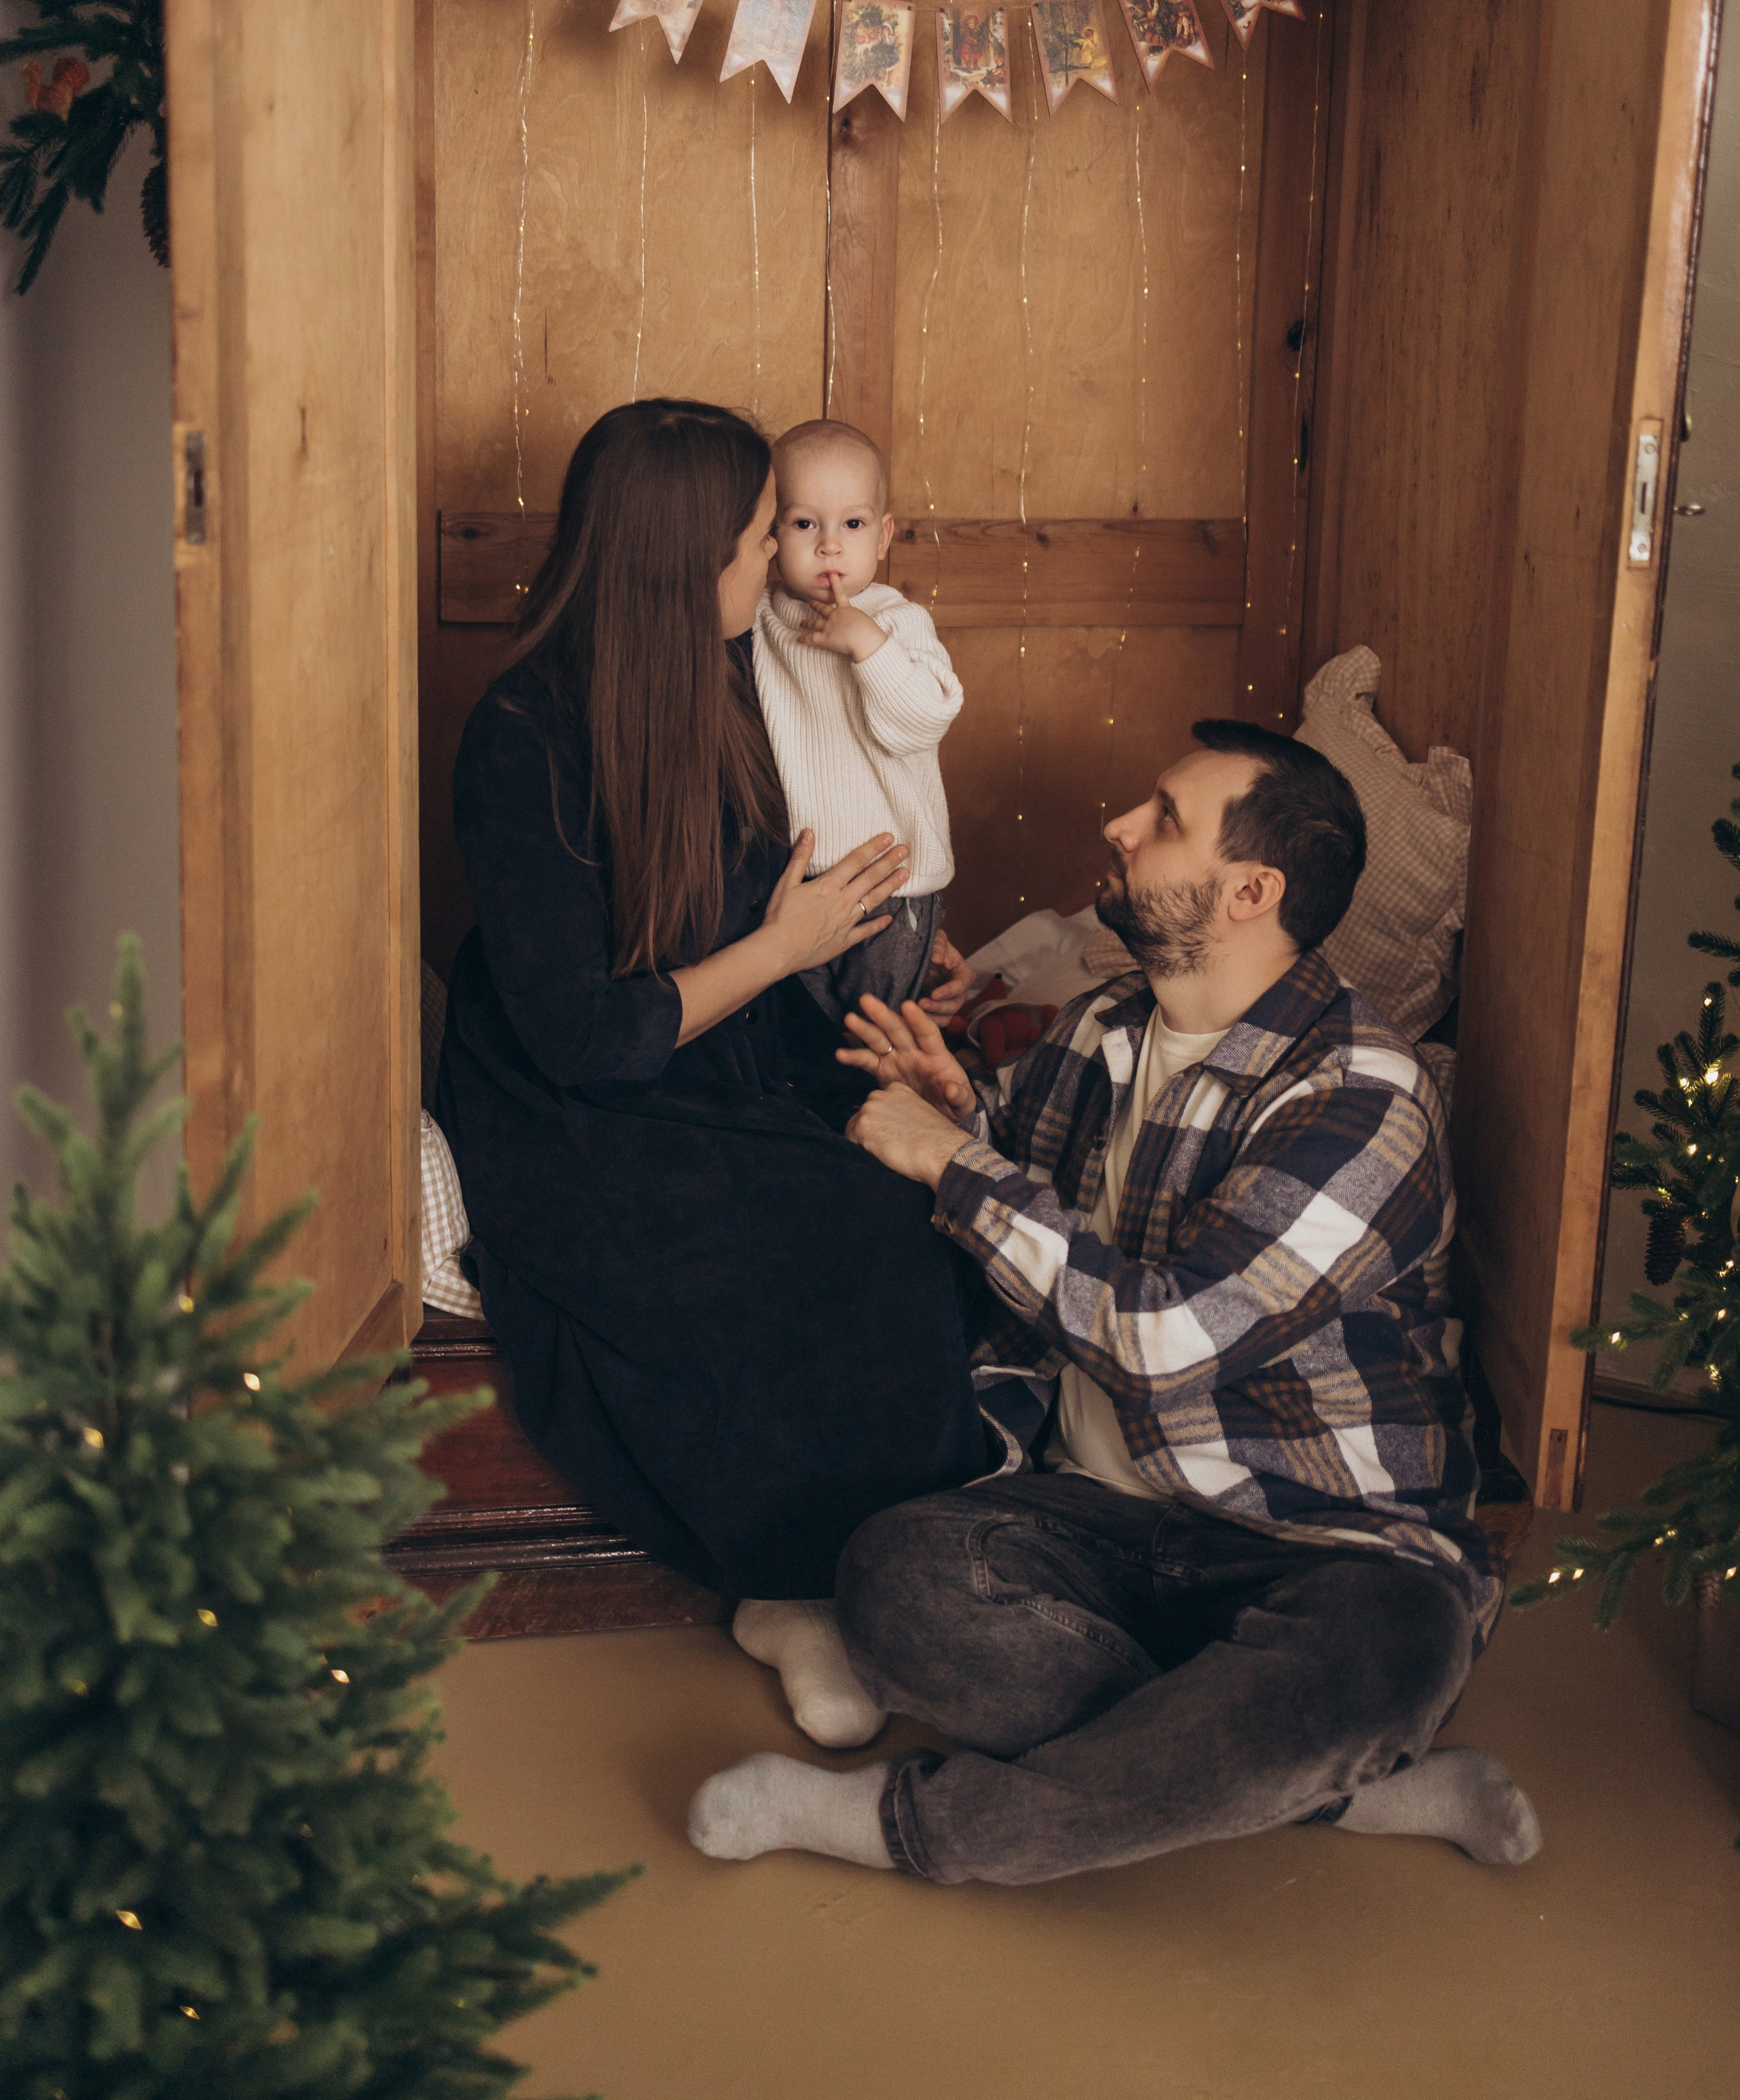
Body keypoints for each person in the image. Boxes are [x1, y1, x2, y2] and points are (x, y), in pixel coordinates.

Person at [689, 722, 1542, 1884]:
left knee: (1379, 1658)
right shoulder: (1110, 1029)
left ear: (1250, 891)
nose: (1120, 828)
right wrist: (967, 1113)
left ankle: (903, 1826)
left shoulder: (1363, 1101)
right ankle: (1331, 1788)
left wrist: (952, 1163)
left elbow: (1160, 1337)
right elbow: (1035, 1196)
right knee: (895, 1577)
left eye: (1163, 818)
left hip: (1329, 1548)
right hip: (1099, 1522)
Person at [436, 399, 989, 1742]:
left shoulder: (731, 674)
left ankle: (903, 1563)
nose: (786, 563)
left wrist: (883, 944)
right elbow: (584, 1035)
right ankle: (786, 1582)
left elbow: (792, 864)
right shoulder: (525, 734)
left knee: (911, 1193)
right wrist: (786, 942)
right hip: (576, 1099)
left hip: (730, 1039)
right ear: (681, 561)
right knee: (815, 1241)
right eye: (759, 539)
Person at [753, 417, 962, 1026]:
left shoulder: (897, 621)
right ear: (771, 533)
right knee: (809, 1038)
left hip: (894, 885)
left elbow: (924, 721)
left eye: (852, 523)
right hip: (796, 887)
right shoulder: (763, 621)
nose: (829, 545)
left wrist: (868, 647)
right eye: (803, 524)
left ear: (884, 534)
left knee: (885, 1033)